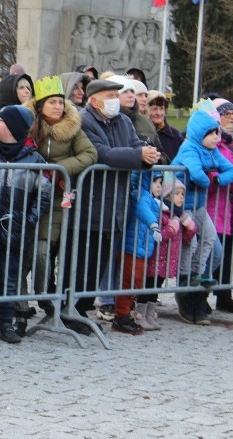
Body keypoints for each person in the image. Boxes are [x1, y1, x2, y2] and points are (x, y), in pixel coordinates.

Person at [74, 79, 159, 328]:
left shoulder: (122, 120)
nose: (114, 99)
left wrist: (148, 154)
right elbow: (101, 152)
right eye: (109, 95)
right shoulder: (85, 120)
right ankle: (74, 310)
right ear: (94, 100)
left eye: (115, 94)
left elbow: (135, 144)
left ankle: (91, 312)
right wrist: (137, 156)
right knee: (84, 265)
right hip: (92, 204)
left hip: (116, 206)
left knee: (100, 265)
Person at [23, 76, 96, 323]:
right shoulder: (28, 126)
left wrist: (59, 170)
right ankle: (19, 303)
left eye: (60, 102)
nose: (58, 107)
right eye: (52, 102)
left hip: (56, 198)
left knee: (45, 248)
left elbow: (89, 154)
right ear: (40, 105)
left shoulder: (73, 128)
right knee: (22, 249)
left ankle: (46, 297)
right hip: (27, 194)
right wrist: (42, 169)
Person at [0, 105, 51, 344]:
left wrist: (29, 221)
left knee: (8, 279)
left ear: (14, 127)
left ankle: (5, 324)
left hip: (16, 231)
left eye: (0, 120)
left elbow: (44, 194)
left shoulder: (34, 159)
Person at [171, 104, 233, 325]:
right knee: (189, 247)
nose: (217, 137)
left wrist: (217, 179)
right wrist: (209, 177)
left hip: (199, 205)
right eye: (212, 133)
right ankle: (185, 293)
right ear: (201, 133)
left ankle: (197, 287)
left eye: (217, 132)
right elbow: (197, 175)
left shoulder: (212, 151)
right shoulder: (189, 148)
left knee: (213, 246)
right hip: (182, 206)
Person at [206, 99, 233, 314]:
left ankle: (224, 294)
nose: (232, 117)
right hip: (216, 203)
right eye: (227, 114)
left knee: (229, 250)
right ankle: (199, 295)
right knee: (212, 250)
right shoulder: (214, 139)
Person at [138, 172, 196, 329]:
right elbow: (160, 235)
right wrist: (173, 226)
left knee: (156, 288)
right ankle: (140, 315)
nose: (181, 197)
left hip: (167, 259)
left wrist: (189, 227)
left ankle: (150, 316)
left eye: (182, 194)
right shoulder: (161, 213)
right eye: (176, 194)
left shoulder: (178, 214)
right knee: (148, 286)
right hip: (156, 258)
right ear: (167, 196)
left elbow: (185, 238)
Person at [113, 171, 162, 335]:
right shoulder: (142, 194)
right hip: (131, 246)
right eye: (157, 182)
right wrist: (153, 224)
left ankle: (126, 313)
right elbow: (143, 210)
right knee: (129, 282)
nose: (159, 187)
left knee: (135, 282)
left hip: (140, 248)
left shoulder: (149, 196)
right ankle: (121, 315)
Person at [146, 91, 184, 161]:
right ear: (147, 110)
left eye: (161, 109)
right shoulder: (140, 132)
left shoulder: (176, 136)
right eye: (155, 109)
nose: (159, 113)